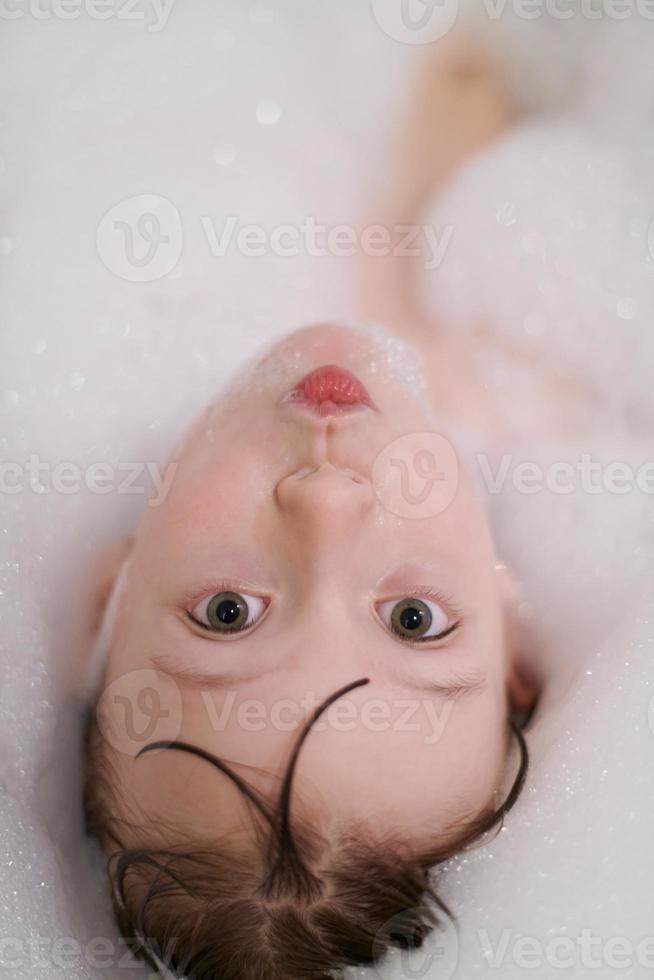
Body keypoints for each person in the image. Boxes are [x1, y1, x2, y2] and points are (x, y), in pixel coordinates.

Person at [84, 39, 541, 980]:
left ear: (106, 596)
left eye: (227, 613)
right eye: (413, 621)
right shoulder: (522, 376)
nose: (328, 505)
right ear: (517, 645)